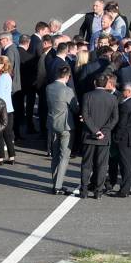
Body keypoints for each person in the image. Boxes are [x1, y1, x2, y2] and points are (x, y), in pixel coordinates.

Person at [79, 74, 118, 199]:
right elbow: (115, 118)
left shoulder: (87, 96)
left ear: (95, 82)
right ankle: (98, 191)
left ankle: (84, 190)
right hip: (104, 137)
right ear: (106, 83)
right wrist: (104, 131)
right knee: (102, 165)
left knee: (86, 164)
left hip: (89, 135)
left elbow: (85, 115)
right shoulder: (112, 99)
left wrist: (95, 131)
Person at [46, 65, 77, 194]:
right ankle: (58, 186)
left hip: (52, 123)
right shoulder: (67, 90)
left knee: (55, 155)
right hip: (65, 125)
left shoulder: (49, 87)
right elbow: (75, 107)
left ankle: (55, 182)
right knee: (64, 156)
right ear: (66, 76)